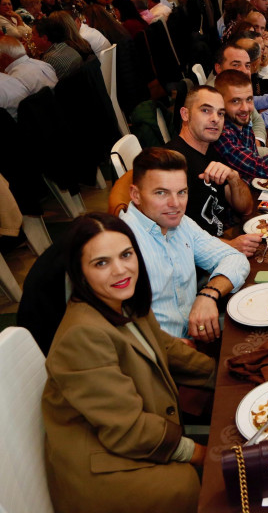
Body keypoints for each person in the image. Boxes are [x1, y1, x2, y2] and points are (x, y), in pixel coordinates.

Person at [42, 213, 216, 513]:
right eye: (101, 263)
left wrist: (221, 375)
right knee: (186, 482)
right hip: (97, 470)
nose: (120, 270)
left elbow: (167, 349)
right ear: (80, 273)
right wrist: (200, 453)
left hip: (122, 436)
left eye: (126, 255)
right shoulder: (82, 336)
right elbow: (127, 428)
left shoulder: (123, 301)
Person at [120, 148, 249, 341]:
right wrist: (171, 350)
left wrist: (208, 294)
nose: (175, 204)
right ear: (135, 195)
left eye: (181, 192)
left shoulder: (181, 223)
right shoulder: (120, 244)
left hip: (196, 338)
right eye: (161, 193)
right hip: (161, 358)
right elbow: (117, 330)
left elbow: (234, 257)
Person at [165, 86, 257, 254]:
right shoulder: (172, 164)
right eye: (206, 110)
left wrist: (234, 178)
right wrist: (229, 246)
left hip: (222, 244)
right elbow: (171, 237)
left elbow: (246, 209)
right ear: (185, 114)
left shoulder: (211, 151)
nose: (215, 119)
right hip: (199, 266)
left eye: (221, 113)